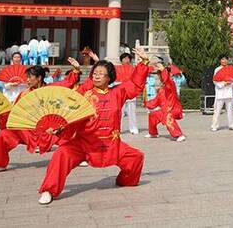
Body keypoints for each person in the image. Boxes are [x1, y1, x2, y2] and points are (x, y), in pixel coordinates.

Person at [38, 47, 151, 205]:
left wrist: (144, 62)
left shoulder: (118, 92)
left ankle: (126, 181)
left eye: (101, 74)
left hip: (112, 144)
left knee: (136, 157)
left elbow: (135, 83)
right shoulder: (84, 94)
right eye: (95, 73)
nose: (97, 76)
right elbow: (67, 112)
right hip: (84, 143)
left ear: (109, 77)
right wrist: (57, 127)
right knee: (61, 154)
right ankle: (48, 190)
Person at [0, 65, 81, 174]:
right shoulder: (24, 94)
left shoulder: (50, 89)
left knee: (69, 136)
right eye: (27, 77)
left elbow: (66, 83)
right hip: (29, 132)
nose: (27, 80)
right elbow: (13, 114)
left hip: (50, 130)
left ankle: (79, 156)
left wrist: (76, 70)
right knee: (3, 134)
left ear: (39, 78)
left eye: (30, 77)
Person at [143, 64, 185, 142]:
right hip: (164, 110)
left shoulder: (171, 85)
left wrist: (163, 71)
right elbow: (156, 101)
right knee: (152, 115)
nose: (159, 77)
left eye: (160, 75)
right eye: (159, 75)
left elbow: (167, 80)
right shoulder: (161, 89)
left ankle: (179, 134)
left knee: (168, 116)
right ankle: (153, 133)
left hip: (173, 109)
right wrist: (147, 103)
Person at [211, 55, 233, 131]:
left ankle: (231, 124)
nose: (224, 61)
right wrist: (223, 84)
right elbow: (215, 81)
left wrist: (231, 83)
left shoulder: (230, 69)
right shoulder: (217, 69)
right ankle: (214, 125)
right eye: (223, 59)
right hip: (220, 92)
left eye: (226, 59)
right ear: (220, 60)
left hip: (228, 92)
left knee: (230, 110)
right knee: (217, 110)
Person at [119, 52, 139, 135]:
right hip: (121, 92)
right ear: (121, 60)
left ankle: (133, 128)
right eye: (124, 58)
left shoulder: (133, 69)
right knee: (120, 112)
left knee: (132, 112)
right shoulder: (117, 68)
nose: (126, 60)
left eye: (128, 58)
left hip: (131, 91)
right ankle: (117, 128)